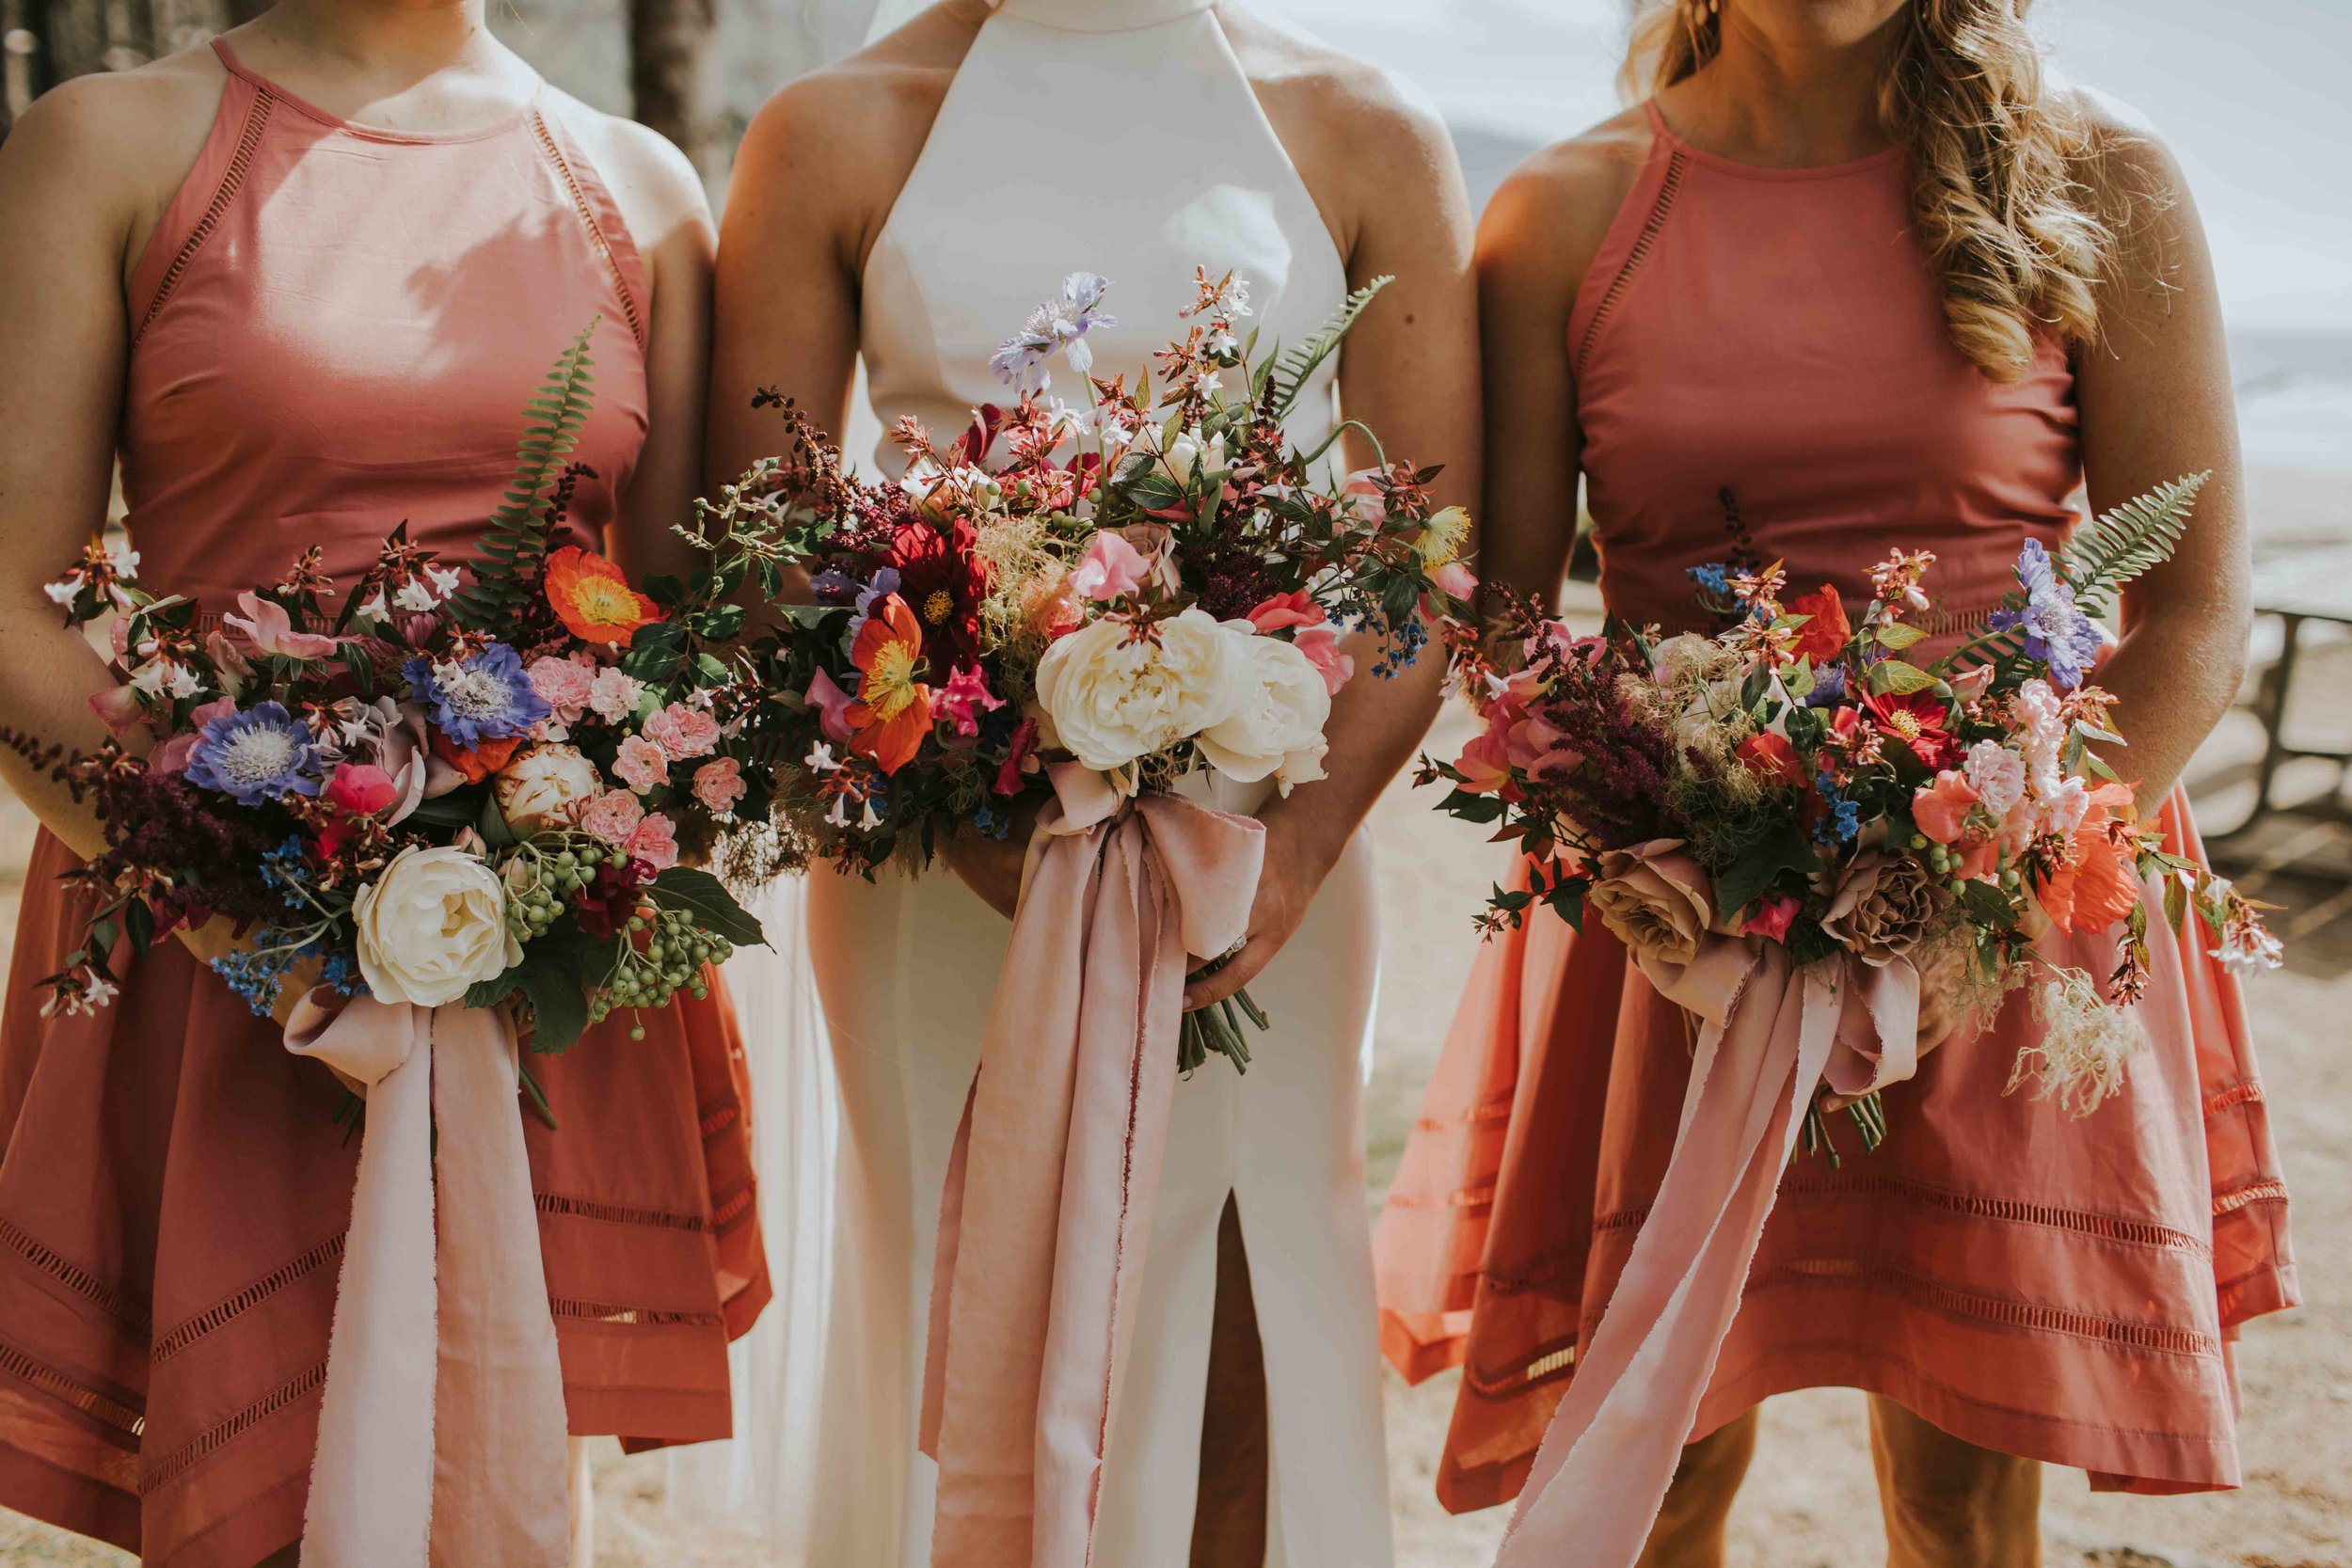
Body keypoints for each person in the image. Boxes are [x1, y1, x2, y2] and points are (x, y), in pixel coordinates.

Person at [1375, 1, 2296, 1562]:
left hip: (2004, 899)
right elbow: (1513, 619)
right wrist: (1643, 860)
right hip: (1671, 905)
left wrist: (1982, 895)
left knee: (1962, 1494)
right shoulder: (1565, 215)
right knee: (1658, 1462)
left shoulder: (2098, 181)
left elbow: (2196, 611)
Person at [708, 0, 1478, 1560]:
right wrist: (963, 800)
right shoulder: (834, 127)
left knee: (1246, 1324)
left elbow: (1423, 569)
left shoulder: (1360, 125)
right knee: (956, 1297)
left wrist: (1294, 857)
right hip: (932, 864)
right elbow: (761, 565)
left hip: (1261, 861)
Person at [0, 4, 767, 1560]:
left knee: (490, 1483)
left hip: (535, 962)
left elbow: (689, 634)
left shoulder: (640, 186)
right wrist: (257, 902)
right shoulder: (109, 145)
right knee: (261, 1507)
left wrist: (535, 875)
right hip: (211, 942)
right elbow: (3, 592)